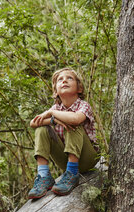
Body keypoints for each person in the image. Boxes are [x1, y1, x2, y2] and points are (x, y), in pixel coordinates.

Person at [28, 68, 99, 199]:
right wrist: (54, 120)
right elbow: (33, 123)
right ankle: (43, 176)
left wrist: (51, 114)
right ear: (56, 91)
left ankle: (72, 173)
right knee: (42, 128)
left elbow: (76, 119)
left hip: (87, 159)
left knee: (72, 124)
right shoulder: (56, 107)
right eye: (60, 79)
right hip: (65, 159)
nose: (64, 80)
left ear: (79, 89)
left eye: (69, 78)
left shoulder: (83, 105)